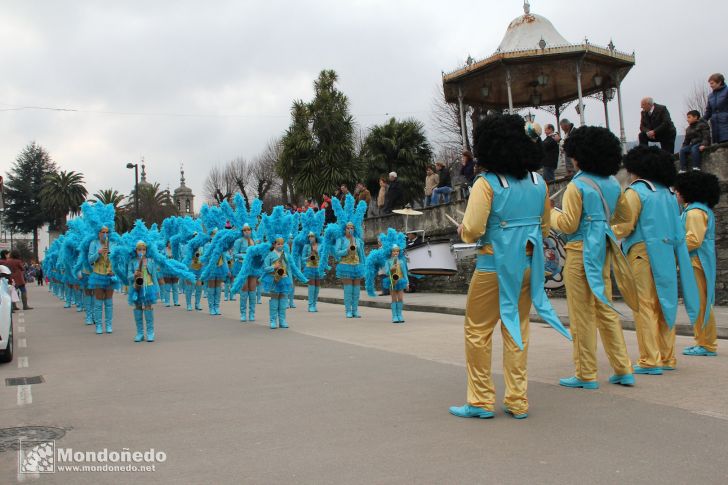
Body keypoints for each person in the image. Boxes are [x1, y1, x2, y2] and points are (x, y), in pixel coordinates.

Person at [449, 113, 570, 421]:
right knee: (518, 328)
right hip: (529, 265)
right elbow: (544, 229)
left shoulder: (487, 184)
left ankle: (480, 399)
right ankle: (517, 399)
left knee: (478, 331)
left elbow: (473, 229)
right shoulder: (538, 182)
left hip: (493, 266)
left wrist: (463, 229)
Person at [550, 126, 639, 389]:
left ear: (579, 155)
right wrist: (603, 228)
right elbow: (625, 219)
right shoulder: (613, 183)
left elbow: (566, 224)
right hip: (603, 251)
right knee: (606, 309)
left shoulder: (577, 186)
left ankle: (586, 372)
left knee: (581, 315)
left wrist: (550, 213)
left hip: (579, 253)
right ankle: (623, 368)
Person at [613, 146, 700, 374]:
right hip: (667, 252)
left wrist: (605, 230)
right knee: (665, 303)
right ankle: (667, 356)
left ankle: (649, 359)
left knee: (644, 306)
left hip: (641, 252)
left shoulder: (636, 192)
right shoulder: (669, 193)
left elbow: (625, 224)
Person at [674, 171, 721, 357]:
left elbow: (693, 239)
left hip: (696, 261)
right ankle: (703, 341)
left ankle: (706, 343)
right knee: (701, 302)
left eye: (678, 190)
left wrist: (673, 250)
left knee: (700, 302)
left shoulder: (694, 212)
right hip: (701, 260)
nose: (676, 193)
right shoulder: (701, 209)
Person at [365, 229, 408, 323]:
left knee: (400, 298)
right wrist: (393, 268)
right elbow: (387, 271)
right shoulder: (388, 262)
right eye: (394, 251)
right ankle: (394, 316)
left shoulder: (401, 261)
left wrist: (407, 282)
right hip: (392, 280)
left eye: (397, 251)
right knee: (393, 298)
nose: (395, 253)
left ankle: (400, 314)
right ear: (390, 252)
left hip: (401, 280)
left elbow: (405, 273)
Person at [87, 225, 118, 334]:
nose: (105, 234)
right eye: (103, 232)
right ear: (98, 233)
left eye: (107, 232)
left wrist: (113, 269)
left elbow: (117, 259)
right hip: (98, 274)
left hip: (110, 275)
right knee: (98, 302)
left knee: (109, 302)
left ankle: (109, 324)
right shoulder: (93, 243)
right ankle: (99, 325)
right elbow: (90, 260)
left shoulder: (113, 244)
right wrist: (98, 253)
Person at [127, 241, 160, 342]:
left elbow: (154, 276)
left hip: (148, 287)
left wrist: (157, 289)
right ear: (136, 250)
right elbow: (129, 277)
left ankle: (150, 332)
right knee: (137, 307)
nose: (141, 251)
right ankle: (140, 333)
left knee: (148, 307)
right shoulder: (132, 261)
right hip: (136, 287)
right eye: (139, 249)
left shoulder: (151, 261)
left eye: (143, 249)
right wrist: (134, 274)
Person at [704, 73, 728, 144]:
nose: (710, 85)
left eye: (712, 83)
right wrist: (700, 121)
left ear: (719, 82)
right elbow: (708, 111)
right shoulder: (710, 96)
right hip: (715, 127)